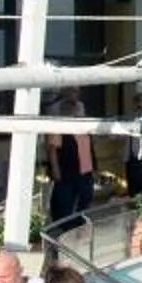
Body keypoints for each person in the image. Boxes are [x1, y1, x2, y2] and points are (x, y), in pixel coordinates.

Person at [44, 92, 97, 226]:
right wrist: (56, 170)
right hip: (66, 170)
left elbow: (89, 147)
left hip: (85, 170)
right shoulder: (59, 126)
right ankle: (64, 228)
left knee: (86, 197)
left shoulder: (84, 127)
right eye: (75, 108)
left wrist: (94, 167)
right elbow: (52, 149)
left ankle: (78, 225)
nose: (79, 111)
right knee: (64, 203)